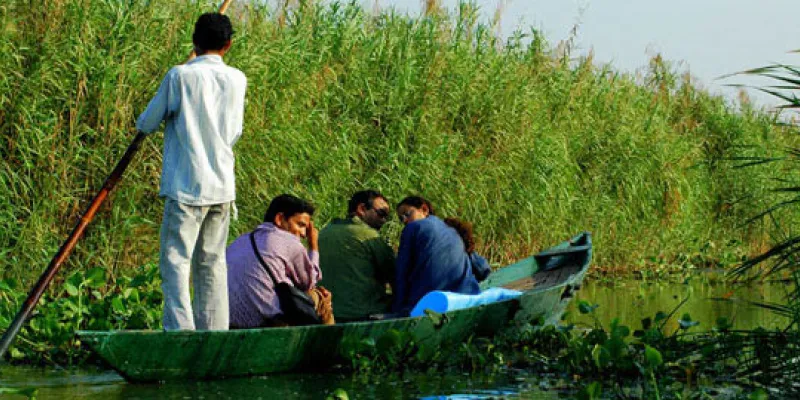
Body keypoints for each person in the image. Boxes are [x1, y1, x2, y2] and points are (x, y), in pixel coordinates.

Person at [136, 13, 247, 331]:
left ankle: (180, 332)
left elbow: (147, 122)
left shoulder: (180, 76)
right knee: (212, 263)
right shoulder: (237, 79)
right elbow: (235, 131)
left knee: (176, 261)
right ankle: (214, 332)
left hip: (187, 186)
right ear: (228, 45)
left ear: (194, 41)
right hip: (222, 186)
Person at [226, 194, 333, 328]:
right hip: (268, 322)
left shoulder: (238, 242)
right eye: (300, 225)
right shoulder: (289, 241)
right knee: (320, 297)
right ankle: (334, 341)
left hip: (231, 322)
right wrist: (313, 246)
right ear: (280, 219)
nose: (304, 233)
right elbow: (309, 282)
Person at [392, 196, 482, 315]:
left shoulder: (413, 228)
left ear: (424, 209)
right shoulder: (455, 231)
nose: (405, 220)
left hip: (430, 301)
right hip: (467, 295)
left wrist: (398, 308)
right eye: (401, 219)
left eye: (407, 214)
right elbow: (483, 268)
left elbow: (402, 271)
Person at [318, 190, 395, 322]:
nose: (384, 220)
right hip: (363, 313)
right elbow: (394, 275)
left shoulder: (324, 232)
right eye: (381, 213)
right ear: (362, 209)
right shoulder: (369, 236)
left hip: (327, 313)